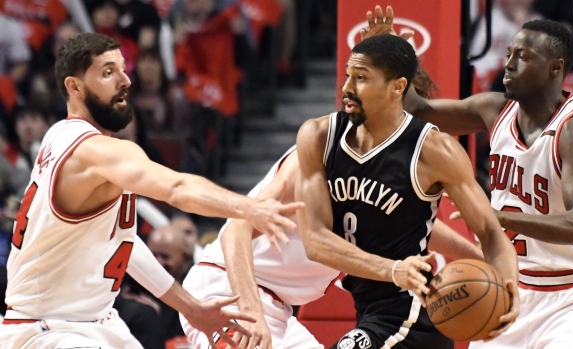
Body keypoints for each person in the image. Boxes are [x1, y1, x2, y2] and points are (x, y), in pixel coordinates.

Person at [0, 32, 303, 349]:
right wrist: (250, 208)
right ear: (74, 87)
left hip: (95, 323)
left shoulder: (60, 137)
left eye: (122, 68)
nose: (125, 80)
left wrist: (190, 307)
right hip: (48, 330)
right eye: (107, 72)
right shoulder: (95, 151)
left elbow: (124, 245)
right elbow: (176, 186)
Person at [366, 6, 573, 348]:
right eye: (509, 53)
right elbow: (417, 110)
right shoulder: (495, 109)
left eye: (524, 57)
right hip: (511, 286)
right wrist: (389, 57)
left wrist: (496, 216)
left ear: (555, 68)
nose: (510, 63)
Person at [180, 67, 485, 349]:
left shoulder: (385, 176)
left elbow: (423, 227)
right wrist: (251, 312)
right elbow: (237, 230)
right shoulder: (314, 158)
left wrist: (483, 258)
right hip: (228, 292)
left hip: (279, 309)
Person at [295, 33, 519, 349]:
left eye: (361, 78)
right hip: (370, 307)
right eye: (348, 75)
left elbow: (491, 234)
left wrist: (509, 289)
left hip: (412, 312)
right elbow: (315, 240)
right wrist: (393, 269)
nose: (346, 87)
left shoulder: (434, 150)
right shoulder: (319, 136)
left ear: (397, 87)